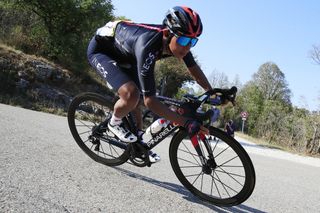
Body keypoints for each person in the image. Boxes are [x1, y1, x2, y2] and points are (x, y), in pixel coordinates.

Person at [87, 6, 212, 163]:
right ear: (168, 33)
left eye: (193, 41)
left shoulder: (179, 43)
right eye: (184, 40)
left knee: (136, 100)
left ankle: (137, 141)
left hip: (128, 56)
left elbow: (194, 69)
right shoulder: (148, 44)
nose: (187, 46)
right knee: (131, 94)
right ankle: (115, 122)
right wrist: (185, 123)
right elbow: (151, 101)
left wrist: (211, 91)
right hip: (102, 51)